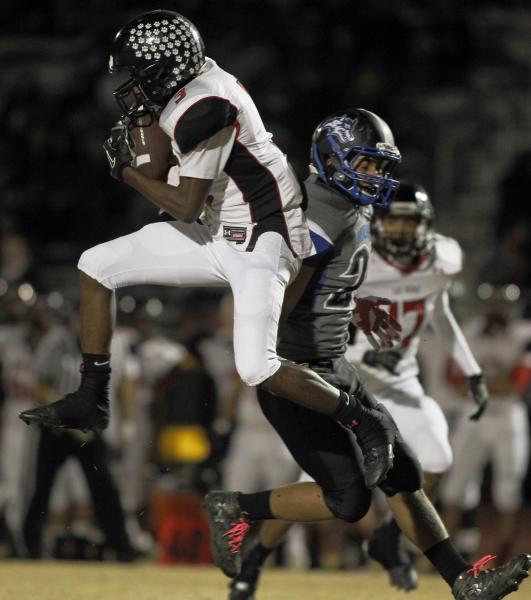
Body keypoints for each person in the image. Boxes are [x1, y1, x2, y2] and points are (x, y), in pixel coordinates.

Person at [19, 9, 401, 492]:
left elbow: (183, 203)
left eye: (141, 73)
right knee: (95, 265)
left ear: (167, 68)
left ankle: (363, 420)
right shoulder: (192, 85)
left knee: (255, 367)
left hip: (266, 236)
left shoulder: (207, 106)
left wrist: (128, 171)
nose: (134, 84)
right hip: (220, 227)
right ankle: (92, 394)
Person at [202, 110, 531, 600]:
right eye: (366, 164)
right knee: (349, 499)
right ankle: (234, 507)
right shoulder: (316, 212)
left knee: (404, 473)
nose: (376, 176)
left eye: (380, 166)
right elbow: (279, 300)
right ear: (333, 160)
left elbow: (320, 286)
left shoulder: (347, 205)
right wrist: (282, 365)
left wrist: (354, 305)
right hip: (300, 377)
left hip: (333, 364)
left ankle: (462, 580)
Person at [345, 181, 489, 589]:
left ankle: (390, 535)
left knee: (440, 460)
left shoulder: (441, 260)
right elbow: (324, 307)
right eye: (393, 221)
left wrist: (472, 369)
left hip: (400, 380)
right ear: (378, 222)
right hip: (345, 379)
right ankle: (252, 560)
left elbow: (439, 312)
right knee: (326, 487)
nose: (402, 232)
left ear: (426, 225)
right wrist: (366, 350)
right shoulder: (359, 256)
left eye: (409, 223)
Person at [440, 298, 531, 566]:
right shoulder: (468, 331)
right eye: (494, 304)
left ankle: (504, 556)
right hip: (473, 415)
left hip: (507, 417)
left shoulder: (523, 334)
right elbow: (453, 380)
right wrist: (496, 381)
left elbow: (516, 385)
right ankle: (448, 555)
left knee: (508, 489)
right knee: (454, 486)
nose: (498, 309)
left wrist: (479, 382)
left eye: (503, 305)